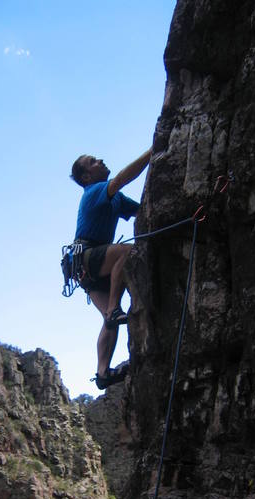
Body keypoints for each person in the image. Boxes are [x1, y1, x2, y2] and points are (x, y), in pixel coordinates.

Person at [70, 148, 152, 389]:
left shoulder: (116, 198)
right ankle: (114, 309)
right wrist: (151, 152)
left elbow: (142, 212)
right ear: (86, 176)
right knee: (126, 252)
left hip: (84, 268)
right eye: (93, 162)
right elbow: (121, 179)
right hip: (88, 255)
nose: (101, 160)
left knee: (109, 321)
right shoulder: (94, 191)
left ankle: (103, 372)